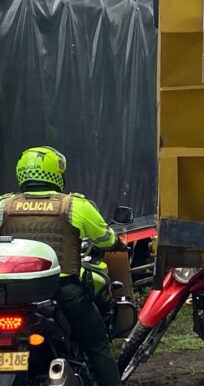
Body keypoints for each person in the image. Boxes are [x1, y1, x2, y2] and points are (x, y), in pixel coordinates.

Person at [0, 146, 123, 386]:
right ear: (57, 173)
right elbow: (106, 239)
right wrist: (117, 242)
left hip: (11, 297)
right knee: (97, 345)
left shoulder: (4, 205)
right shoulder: (74, 205)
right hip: (63, 292)